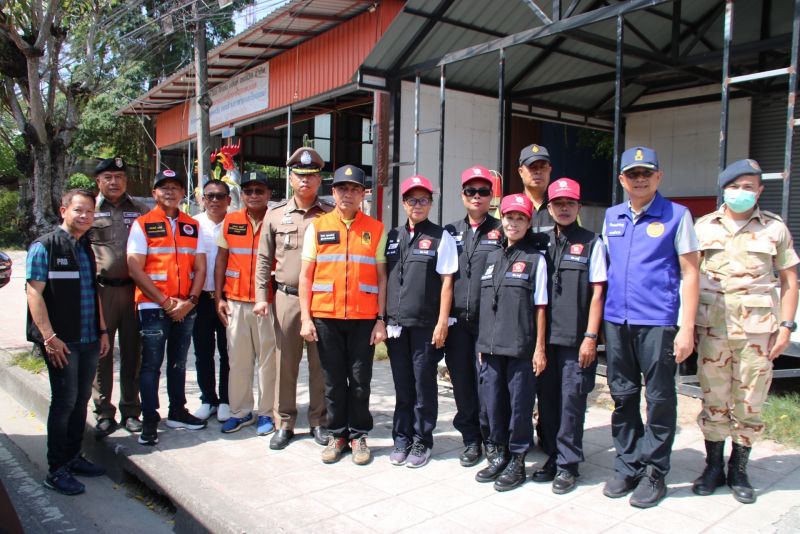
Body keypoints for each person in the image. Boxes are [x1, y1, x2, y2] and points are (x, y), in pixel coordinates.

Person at [692, 159, 799, 504]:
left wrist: (786, 326)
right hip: (713, 330)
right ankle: (712, 467)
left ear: (760, 191)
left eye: (749, 186)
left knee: (749, 403)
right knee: (714, 400)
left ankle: (739, 469)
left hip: (758, 334)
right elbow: (689, 278)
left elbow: (790, 280)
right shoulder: (703, 227)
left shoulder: (774, 228)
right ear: (723, 190)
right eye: (735, 186)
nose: (742, 193)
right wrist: (689, 326)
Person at [601, 147, 699, 508]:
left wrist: (686, 327)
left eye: (647, 173)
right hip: (617, 321)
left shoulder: (677, 216)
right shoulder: (612, 216)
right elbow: (607, 270)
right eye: (632, 174)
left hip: (657, 322)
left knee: (658, 399)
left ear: (658, 177)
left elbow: (691, 273)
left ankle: (655, 469)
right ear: (622, 179)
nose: (639, 179)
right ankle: (627, 463)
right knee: (622, 395)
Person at [299, 165, 387, 465]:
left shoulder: (375, 228)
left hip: (363, 318)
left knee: (360, 381)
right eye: (342, 188)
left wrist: (380, 319)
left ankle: (359, 435)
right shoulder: (318, 226)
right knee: (333, 381)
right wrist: (306, 318)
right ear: (333, 192)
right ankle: (337, 434)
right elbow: (305, 276)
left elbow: (381, 277)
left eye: (354, 189)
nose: (347, 194)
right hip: (326, 317)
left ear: (364, 194)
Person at [26, 189, 111, 495]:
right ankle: (56, 469)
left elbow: (92, 291)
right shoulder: (45, 246)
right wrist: (48, 337)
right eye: (78, 210)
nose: (85, 216)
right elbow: (34, 293)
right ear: (63, 210)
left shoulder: (86, 247)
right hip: (62, 342)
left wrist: (102, 332)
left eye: (90, 211)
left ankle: (74, 458)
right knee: (63, 403)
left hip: (88, 338)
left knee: (79, 401)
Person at [532, 178, 606, 494]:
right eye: (558, 203)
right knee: (548, 403)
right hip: (544, 341)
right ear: (548, 208)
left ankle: (568, 465)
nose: (564, 208)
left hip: (576, 341)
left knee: (572, 403)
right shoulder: (539, 243)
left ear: (578, 207)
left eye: (570, 203)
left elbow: (598, 292)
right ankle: (553, 455)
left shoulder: (592, 242)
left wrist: (591, 337)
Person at [255, 147, 333, 450]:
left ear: (320, 179)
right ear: (290, 178)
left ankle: (318, 421)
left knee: (319, 364)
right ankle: (284, 422)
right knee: (285, 362)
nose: (306, 181)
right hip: (286, 299)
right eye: (300, 175)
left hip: (320, 300)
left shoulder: (330, 215)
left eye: (312, 175)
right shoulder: (275, 216)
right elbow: (263, 260)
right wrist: (262, 296)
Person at [127, 169, 208, 446]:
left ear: (183, 193)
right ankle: (150, 419)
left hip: (185, 306)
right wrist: (164, 302)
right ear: (154, 193)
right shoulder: (142, 224)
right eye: (163, 187)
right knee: (150, 365)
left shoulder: (191, 225)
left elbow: (200, 267)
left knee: (179, 362)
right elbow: (134, 268)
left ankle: (178, 411)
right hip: (152, 307)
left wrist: (191, 301)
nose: (170, 192)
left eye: (175, 187)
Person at [475, 193, 548, 492]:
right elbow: (484, 304)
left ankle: (517, 458)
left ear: (529, 223)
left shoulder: (535, 260)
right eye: (509, 217)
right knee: (494, 403)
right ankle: (500, 452)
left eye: (520, 218)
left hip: (521, 347)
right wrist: (481, 344)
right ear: (501, 220)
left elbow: (541, 306)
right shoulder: (491, 258)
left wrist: (540, 348)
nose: (513, 223)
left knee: (519, 406)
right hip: (491, 347)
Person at [385, 175, 457, 469]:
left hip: (426, 325)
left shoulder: (442, 237)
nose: (417, 205)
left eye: (423, 199)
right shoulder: (392, 237)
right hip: (396, 325)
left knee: (423, 385)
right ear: (403, 203)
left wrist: (442, 322)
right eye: (412, 199)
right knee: (403, 386)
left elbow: (447, 282)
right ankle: (401, 437)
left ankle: (422, 440)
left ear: (430, 202)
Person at [443, 165, 502, 467]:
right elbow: (442, 279)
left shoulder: (502, 231)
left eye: (483, 191)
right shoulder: (449, 232)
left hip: (488, 322)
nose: (477, 196)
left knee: (488, 383)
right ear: (462, 195)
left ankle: (492, 438)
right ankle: (471, 439)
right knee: (463, 383)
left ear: (491, 196)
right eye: (471, 191)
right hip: (456, 323)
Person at [87, 157, 147, 437]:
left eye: (119, 177)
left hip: (134, 290)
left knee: (133, 352)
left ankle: (131, 410)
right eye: (108, 177)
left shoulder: (142, 210)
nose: (114, 182)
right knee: (102, 352)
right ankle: (103, 411)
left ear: (126, 180)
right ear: (98, 181)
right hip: (102, 292)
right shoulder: (89, 210)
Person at [215, 171, 277, 436]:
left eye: (259, 191)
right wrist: (218, 297)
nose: (253, 196)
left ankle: (266, 413)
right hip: (236, 302)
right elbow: (220, 260)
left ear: (268, 195)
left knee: (268, 361)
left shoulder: (277, 221)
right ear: (241, 194)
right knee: (238, 361)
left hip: (268, 303)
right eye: (248, 191)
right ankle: (240, 412)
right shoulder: (230, 221)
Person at [191, 180, 231, 423]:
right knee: (202, 351)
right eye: (210, 196)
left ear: (228, 199)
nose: (214, 200)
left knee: (229, 352)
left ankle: (226, 399)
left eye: (220, 196)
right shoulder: (192, 224)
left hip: (227, 299)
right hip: (201, 299)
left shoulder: (236, 224)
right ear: (202, 199)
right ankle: (208, 399)